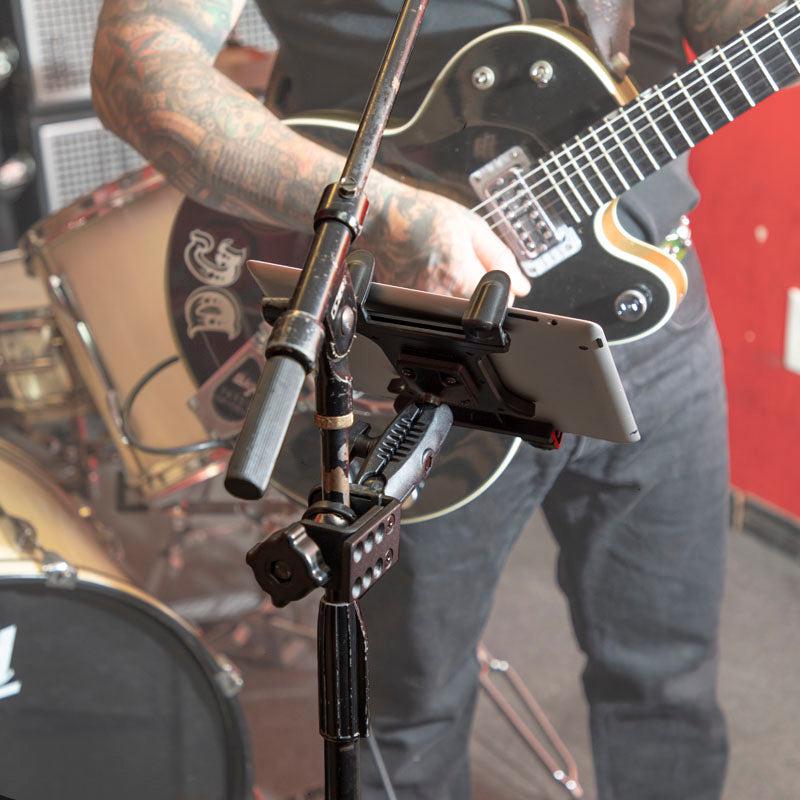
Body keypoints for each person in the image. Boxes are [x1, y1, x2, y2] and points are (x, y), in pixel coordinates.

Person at [91, 2, 778, 798]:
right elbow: (137, 66)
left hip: (648, 299)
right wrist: (396, 218)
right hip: (412, 327)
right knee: (406, 717)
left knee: (671, 681)